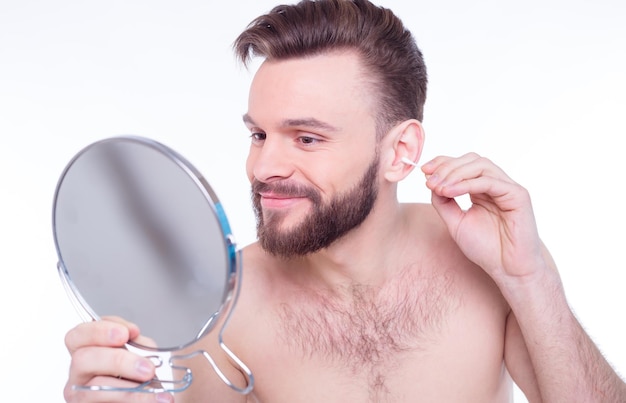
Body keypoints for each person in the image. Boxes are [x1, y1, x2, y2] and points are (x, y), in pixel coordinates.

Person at [62, 0, 626, 402]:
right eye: (258, 135)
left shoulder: (485, 265)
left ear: (400, 152)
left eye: (306, 138)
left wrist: (530, 280)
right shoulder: (224, 310)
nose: (263, 168)